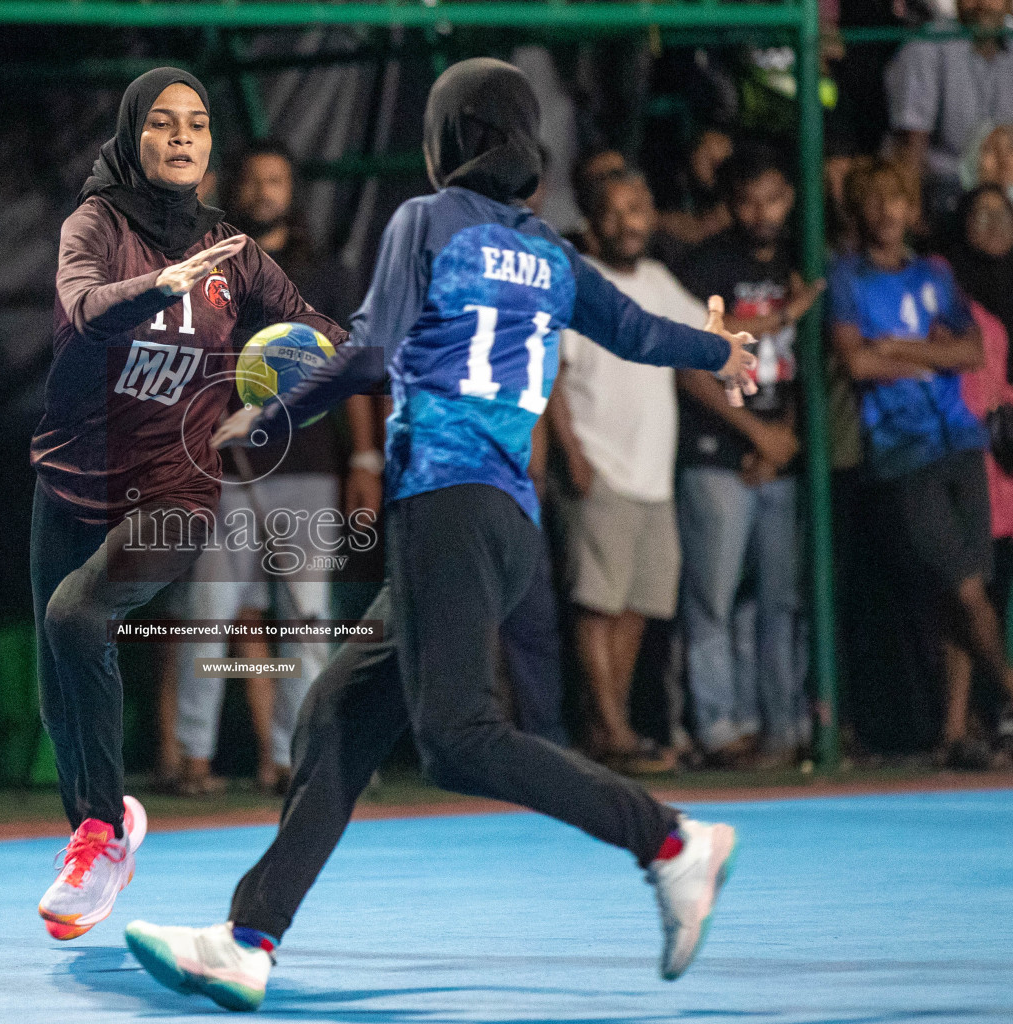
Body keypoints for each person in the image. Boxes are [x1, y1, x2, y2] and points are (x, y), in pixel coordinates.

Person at [124, 58, 755, 1012]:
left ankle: (668, 840)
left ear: (445, 141)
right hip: (507, 524)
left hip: (446, 505)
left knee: (458, 738)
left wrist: (269, 414)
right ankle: (248, 939)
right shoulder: (549, 252)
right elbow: (634, 330)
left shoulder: (425, 220)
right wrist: (721, 347)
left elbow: (373, 350)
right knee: (340, 713)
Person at [28, 68, 346, 940]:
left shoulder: (233, 251)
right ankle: (99, 829)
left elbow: (322, 331)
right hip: (72, 477)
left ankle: (99, 836)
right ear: (134, 137)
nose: (182, 136)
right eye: (164, 123)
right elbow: (82, 306)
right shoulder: (94, 225)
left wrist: (373, 353)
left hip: (176, 488)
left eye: (198, 124)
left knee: (75, 614)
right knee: (58, 671)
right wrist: (155, 290)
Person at [167, 140, 369, 797]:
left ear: (293, 190)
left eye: (276, 180)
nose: (264, 192)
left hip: (308, 467)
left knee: (306, 617)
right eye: (253, 181)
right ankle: (194, 757)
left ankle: (291, 755)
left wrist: (364, 455)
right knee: (212, 613)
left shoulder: (328, 273)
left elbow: (356, 372)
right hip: (226, 469)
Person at [829, 159, 1013, 770]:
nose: (888, 213)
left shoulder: (935, 274)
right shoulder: (849, 279)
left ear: (912, 209)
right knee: (961, 584)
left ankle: (955, 730)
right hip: (904, 449)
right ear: (860, 211)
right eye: (876, 202)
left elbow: (971, 350)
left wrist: (905, 350)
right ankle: (1008, 688)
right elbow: (857, 364)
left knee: (966, 589)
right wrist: (929, 355)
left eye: (897, 201)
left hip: (959, 439)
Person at [546, 167, 708, 773]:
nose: (629, 222)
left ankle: (608, 724)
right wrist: (574, 455)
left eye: (638, 207)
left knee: (638, 604)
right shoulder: (578, 285)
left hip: (654, 475)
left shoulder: (661, 283)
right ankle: (612, 728)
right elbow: (553, 379)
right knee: (598, 604)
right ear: (592, 223)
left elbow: (706, 332)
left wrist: (780, 315)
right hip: (603, 467)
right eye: (614, 211)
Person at [671, 144, 824, 766]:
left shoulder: (800, 258)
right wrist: (757, 436)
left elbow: (802, 367)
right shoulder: (706, 265)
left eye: (774, 198)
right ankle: (720, 728)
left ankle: (783, 727)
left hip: (779, 453)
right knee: (715, 597)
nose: (763, 212)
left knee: (780, 600)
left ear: (790, 200)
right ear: (731, 205)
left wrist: (782, 436)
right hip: (717, 454)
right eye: (749, 200)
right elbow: (692, 358)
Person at [946, 184, 1013, 762]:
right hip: (964, 455)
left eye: (1003, 214)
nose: (993, 226)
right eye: (980, 214)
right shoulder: (946, 280)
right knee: (969, 587)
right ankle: (962, 720)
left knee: (995, 589)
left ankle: (993, 720)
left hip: (1008, 461)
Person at [886, 0, 1013, 228]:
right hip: (946, 193)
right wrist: (913, 212)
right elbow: (911, 143)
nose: (983, 3)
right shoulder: (927, 44)